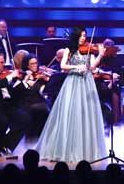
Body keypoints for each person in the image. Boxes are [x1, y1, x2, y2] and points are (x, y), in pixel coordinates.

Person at [35, 27, 106, 162]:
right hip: (72, 82)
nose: (83, 38)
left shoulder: (89, 50)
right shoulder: (69, 49)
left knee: (85, 114)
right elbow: (63, 66)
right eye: (81, 35)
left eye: (85, 36)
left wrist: (100, 55)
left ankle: (85, 150)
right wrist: (76, 67)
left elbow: (91, 67)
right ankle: (66, 149)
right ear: (76, 36)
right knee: (70, 112)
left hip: (86, 83)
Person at [10, 55, 51, 140]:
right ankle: (33, 137)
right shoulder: (21, 76)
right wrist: (26, 80)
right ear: (27, 65)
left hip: (39, 101)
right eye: (32, 64)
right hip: (26, 102)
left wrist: (46, 79)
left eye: (36, 63)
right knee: (42, 108)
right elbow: (15, 91)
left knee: (46, 107)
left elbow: (46, 90)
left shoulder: (40, 76)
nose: (35, 65)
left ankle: (43, 136)